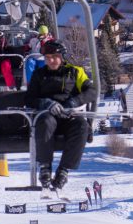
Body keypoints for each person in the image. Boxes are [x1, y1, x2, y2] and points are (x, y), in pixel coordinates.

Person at [24, 41, 96, 190]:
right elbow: (29, 98)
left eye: (55, 57)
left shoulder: (75, 72)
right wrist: (46, 104)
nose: (51, 60)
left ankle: (64, 169)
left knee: (82, 125)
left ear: (62, 57)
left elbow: (91, 91)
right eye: (48, 57)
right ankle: (45, 166)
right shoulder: (39, 74)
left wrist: (74, 102)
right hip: (48, 114)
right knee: (45, 122)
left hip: (68, 114)